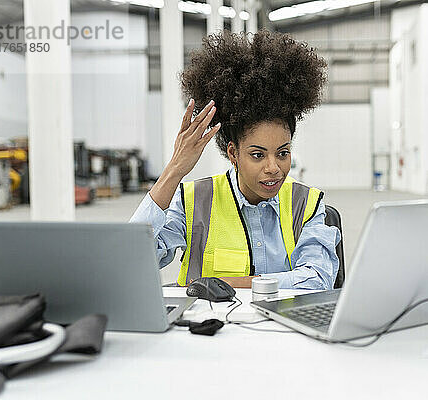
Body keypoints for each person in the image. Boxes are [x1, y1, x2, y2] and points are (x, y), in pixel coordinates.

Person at [130, 30, 340, 289]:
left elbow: (319, 278)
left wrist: (234, 283)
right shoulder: (195, 201)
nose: (273, 168)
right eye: (257, 155)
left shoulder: (305, 204)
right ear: (233, 153)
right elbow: (133, 261)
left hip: (279, 329)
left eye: (283, 153)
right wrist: (174, 170)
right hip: (206, 328)